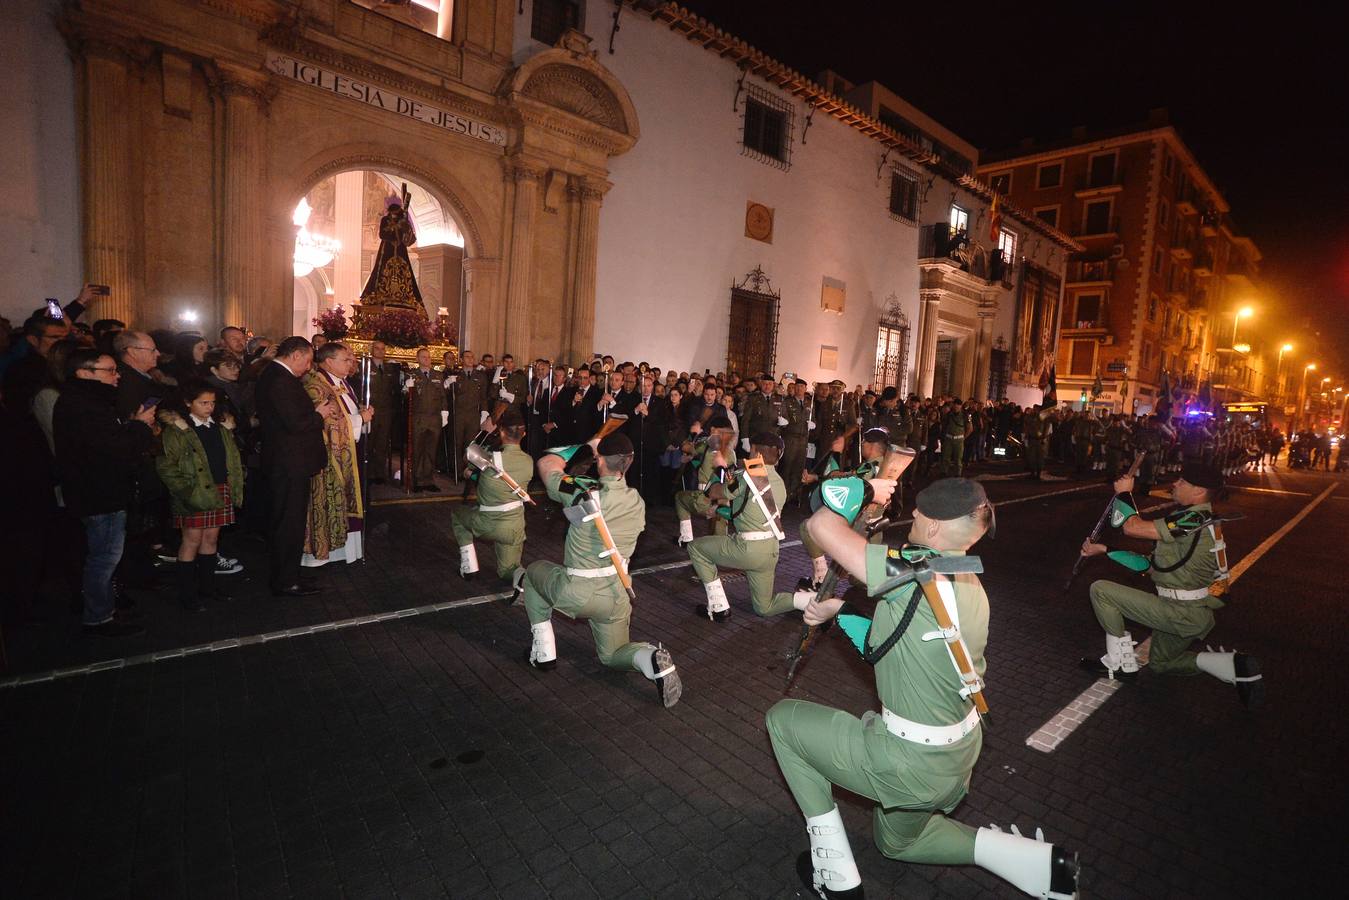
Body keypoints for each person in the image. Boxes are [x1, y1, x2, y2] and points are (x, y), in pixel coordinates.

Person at [767, 477, 1080, 899]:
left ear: (933, 528)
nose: (912, 514)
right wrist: (838, 611)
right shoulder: (965, 582)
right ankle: (1034, 861)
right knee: (897, 842)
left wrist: (865, 488)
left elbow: (822, 523)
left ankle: (834, 876)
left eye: (918, 511)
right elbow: (896, 642)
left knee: (783, 721)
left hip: (907, 761)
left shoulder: (916, 570)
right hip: (955, 755)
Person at [514, 432, 682, 707]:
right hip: (617, 594)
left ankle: (543, 652)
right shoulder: (636, 501)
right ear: (630, 462)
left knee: (532, 573)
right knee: (613, 655)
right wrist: (601, 456)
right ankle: (651, 659)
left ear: (600, 461)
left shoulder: (582, 491)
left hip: (577, 591)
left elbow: (546, 465)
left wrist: (583, 447)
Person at [1078, 462, 1262, 707]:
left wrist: (1124, 493)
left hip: (1181, 611)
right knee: (1162, 663)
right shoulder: (1194, 519)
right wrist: (1105, 550)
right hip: (1190, 612)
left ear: (1198, 491)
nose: (1175, 483)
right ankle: (1231, 665)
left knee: (1101, 590)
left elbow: (1132, 528)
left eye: (1183, 481)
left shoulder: (1193, 519)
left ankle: (1120, 665)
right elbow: (1152, 566)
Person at [53, 349, 157, 636]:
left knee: (104, 555)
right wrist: (140, 427)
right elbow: (113, 449)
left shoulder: (86, 402)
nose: (117, 375)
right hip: (100, 493)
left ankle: (104, 608)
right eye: (110, 371)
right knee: (104, 558)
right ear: (84, 373)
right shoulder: (84, 406)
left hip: (98, 490)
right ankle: (98, 617)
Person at [690, 432, 805, 620]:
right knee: (764, 608)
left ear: (757, 454)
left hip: (747, 549)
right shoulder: (779, 482)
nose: (748, 454)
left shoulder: (747, 475)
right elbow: (747, 507)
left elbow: (717, 491)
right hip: (770, 550)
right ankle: (811, 601)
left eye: (750, 450)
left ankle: (718, 607)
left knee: (696, 548)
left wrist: (719, 468)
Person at [156, 381, 245, 612]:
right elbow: (166, 467)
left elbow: (230, 458)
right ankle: (187, 594)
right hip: (194, 491)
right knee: (191, 541)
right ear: (188, 403)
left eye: (212, 403)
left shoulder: (219, 427)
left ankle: (208, 587)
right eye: (203, 403)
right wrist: (186, 491)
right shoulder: (178, 430)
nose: (209, 407)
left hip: (219, 488)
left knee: (211, 540)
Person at [255, 336, 330, 597]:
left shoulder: (278, 376)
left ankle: (291, 573)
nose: (309, 367)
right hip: (288, 463)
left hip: (290, 462)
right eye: (308, 360)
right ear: (295, 355)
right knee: (288, 522)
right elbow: (296, 423)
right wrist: (318, 414)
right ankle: (286, 580)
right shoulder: (279, 379)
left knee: (292, 521)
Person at [302, 342, 371, 566]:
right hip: (329, 456)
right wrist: (361, 419)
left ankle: (347, 551)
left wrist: (361, 414)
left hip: (348, 450)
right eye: (346, 359)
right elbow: (328, 422)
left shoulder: (342, 383)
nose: (351, 363)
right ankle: (322, 554)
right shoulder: (317, 385)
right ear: (329, 362)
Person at [453, 407, 535, 588]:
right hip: (514, 527)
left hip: (488, 522)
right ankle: (523, 580)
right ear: (524, 433)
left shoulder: (490, 458)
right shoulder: (529, 461)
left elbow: (469, 456)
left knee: (458, 515)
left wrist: (487, 434)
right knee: (508, 571)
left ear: (502, 431)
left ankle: (469, 566)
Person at [404, 348, 447, 492]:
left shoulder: (438, 375)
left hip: (434, 418)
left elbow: (442, 396)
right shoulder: (411, 375)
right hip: (418, 417)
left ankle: (428, 480)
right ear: (417, 359)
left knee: (431, 450)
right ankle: (415, 480)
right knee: (417, 449)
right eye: (423, 357)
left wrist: (445, 412)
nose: (427, 359)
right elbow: (404, 396)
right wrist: (406, 388)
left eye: (428, 357)